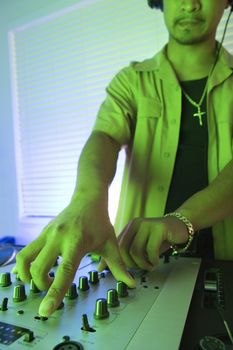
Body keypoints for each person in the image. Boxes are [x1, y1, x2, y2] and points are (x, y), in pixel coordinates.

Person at [13, 0, 233, 318]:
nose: (190, 4)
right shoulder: (131, 81)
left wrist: (181, 220)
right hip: (136, 267)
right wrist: (87, 197)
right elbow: (104, 136)